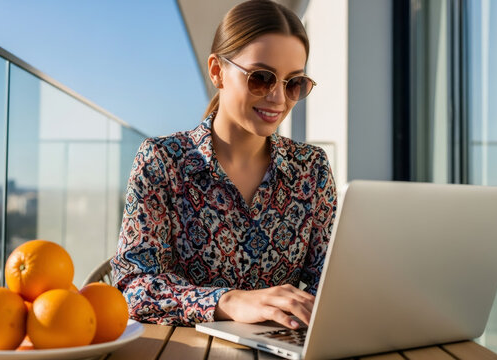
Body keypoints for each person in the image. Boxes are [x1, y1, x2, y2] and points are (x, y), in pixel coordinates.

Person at [111, 0, 337, 330]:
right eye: (261, 78)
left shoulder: (311, 169)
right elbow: (133, 288)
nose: (278, 98)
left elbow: (329, 280)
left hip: (282, 349)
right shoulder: (161, 161)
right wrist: (227, 301)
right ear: (217, 71)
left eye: (293, 83)